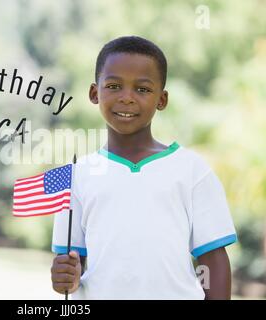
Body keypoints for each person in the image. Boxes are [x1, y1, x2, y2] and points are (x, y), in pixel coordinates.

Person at [50, 36, 237, 299]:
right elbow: (71, 268)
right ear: (95, 93)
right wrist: (62, 280)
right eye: (114, 86)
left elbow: (213, 260)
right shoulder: (75, 175)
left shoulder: (192, 170)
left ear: (162, 99)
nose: (127, 98)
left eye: (142, 89)